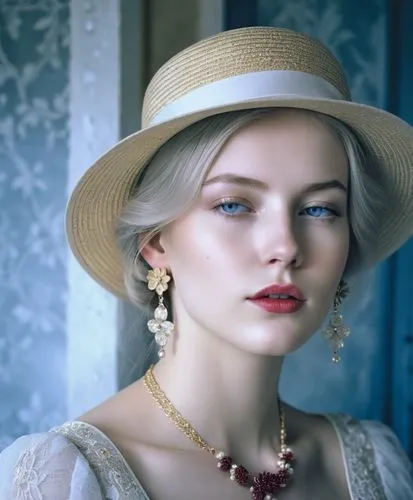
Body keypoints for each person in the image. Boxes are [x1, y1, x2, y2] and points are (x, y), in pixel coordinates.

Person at [1, 26, 412, 500]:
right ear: (155, 242)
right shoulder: (61, 480)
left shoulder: (367, 461)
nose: (286, 247)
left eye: (319, 209)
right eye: (234, 205)